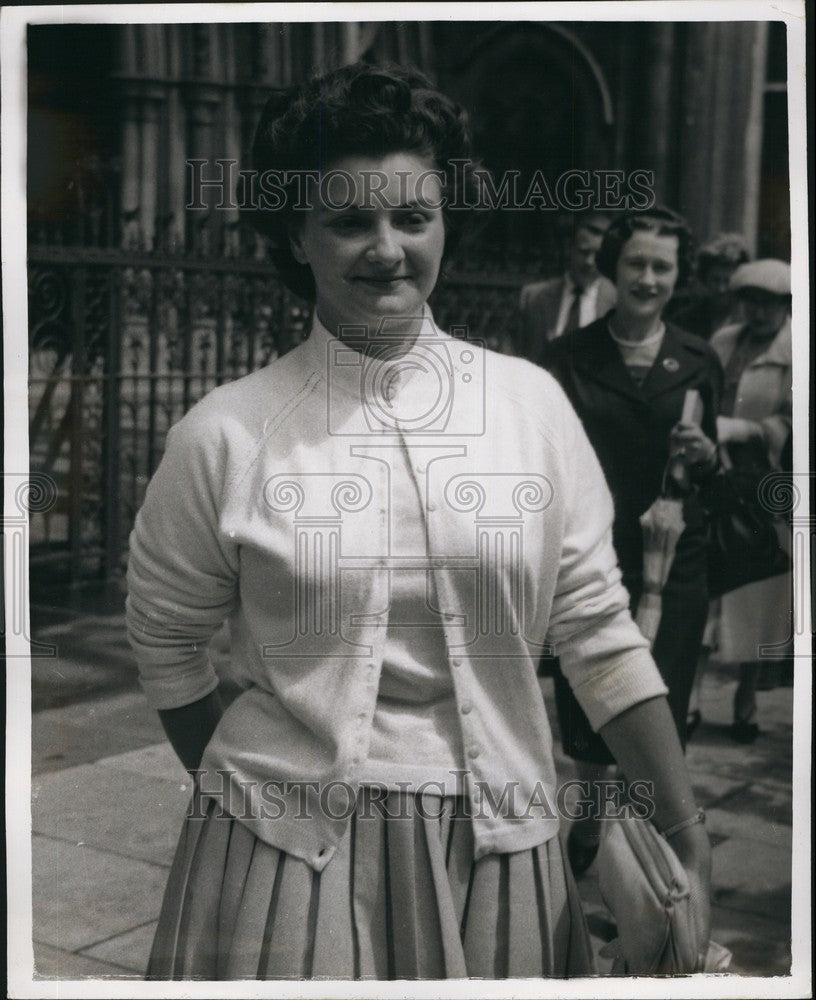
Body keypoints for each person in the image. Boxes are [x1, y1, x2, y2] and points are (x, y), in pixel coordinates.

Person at [126, 64, 711, 980]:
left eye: (412, 217)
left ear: (445, 221)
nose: (386, 249)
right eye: (350, 221)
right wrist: (258, 794)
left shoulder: (528, 405)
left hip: (503, 852)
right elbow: (166, 641)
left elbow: (598, 632)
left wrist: (685, 829)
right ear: (297, 233)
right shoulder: (226, 433)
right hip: (283, 872)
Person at [540, 207, 723, 875]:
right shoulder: (568, 358)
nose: (648, 278)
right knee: (590, 699)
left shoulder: (699, 360)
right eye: (637, 264)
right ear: (613, 269)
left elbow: (714, 475)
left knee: (660, 703)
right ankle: (590, 819)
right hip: (593, 557)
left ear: (679, 276)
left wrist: (706, 456)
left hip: (672, 562)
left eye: (662, 267)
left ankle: (647, 850)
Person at [708, 259, 793, 742]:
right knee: (708, 584)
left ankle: (745, 700)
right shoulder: (725, 340)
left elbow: (796, 420)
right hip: (716, 476)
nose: (757, 312)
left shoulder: (795, 350)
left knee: (754, 592)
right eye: (751, 301)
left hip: (765, 484)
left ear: (785, 306)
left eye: (769, 303)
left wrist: (749, 430)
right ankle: (693, 695)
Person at [515, 213, 617, 362]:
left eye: (597, 255)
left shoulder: (616, 302)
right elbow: (516, 354)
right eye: (583, 252)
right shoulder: (534, 297)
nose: (589, 262)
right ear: (569, 249)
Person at [668, 232, 750, 341]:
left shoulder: (750, 319)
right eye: (715, 280)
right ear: (704, 279)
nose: (721, 289)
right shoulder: (684, 320)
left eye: (728, 281)